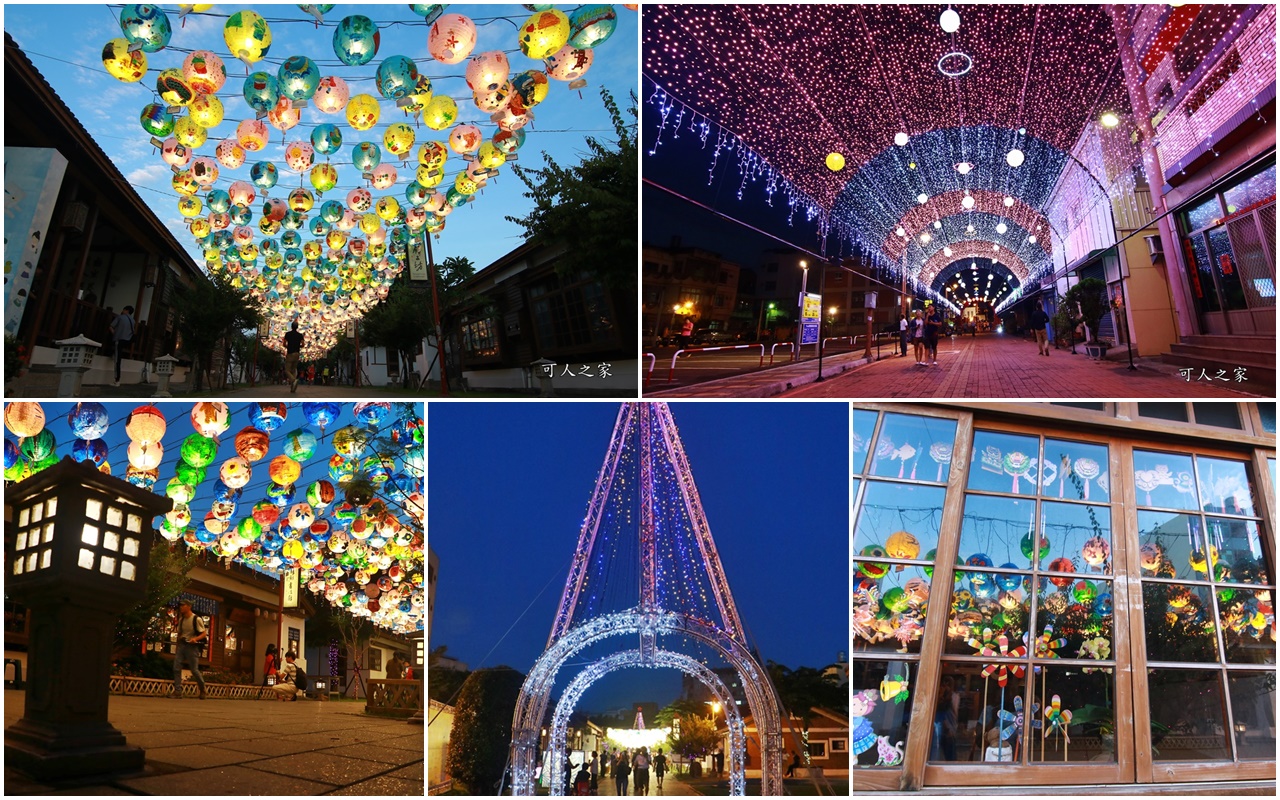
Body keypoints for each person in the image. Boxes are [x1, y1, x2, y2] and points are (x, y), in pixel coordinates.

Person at [172, 600, 207, 700]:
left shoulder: (196, 619)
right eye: (180, 606)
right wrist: (177, 646)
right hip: (182, 645)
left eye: (183, 605)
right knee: (176, 667)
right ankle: (178, 691)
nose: (181, 607)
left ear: (189, 606)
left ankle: (202, 689)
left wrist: (195, 639)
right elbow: (179, 633)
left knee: (194, 670)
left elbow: (204, 634)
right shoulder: (182, 620)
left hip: (192, 646)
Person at [109, 305, 135, 386]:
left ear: (126, 310)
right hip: (127, 341)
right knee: (119, 356)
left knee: (117, 359)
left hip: (119, 339)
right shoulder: (133, 321)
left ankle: (117, 380)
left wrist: (114, 334)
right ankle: (117, 379)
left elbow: (111, 327)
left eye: (124, 309)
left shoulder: (120, 317)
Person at [283, 321, 304, 392]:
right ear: (297, 327)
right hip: (297, 354)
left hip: (290, 353)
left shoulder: (288, 334)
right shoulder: (300, 335)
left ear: (291, 327)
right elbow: (303, 344)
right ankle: (293, 388)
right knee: (294, 370)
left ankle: (293, 380)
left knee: (287, 370)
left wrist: (288, 346)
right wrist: (298, 346)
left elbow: (284, 343)